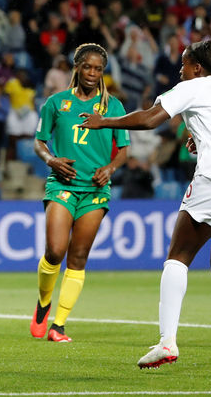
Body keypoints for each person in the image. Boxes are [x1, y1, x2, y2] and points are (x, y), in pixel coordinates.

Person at [80, 40, 211, 373]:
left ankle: (167, 342)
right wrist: (198, 138)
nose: (179, 71)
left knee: (178, 256)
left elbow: (149, 119)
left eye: (183, 65)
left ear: (197, 67)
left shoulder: (194, 86)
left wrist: (105, 123)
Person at [31, 43, 130, 343]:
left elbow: (124, 150)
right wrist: (51, 160)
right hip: (62, 184)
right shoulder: (56, 103)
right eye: (87, 66)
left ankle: (58, 325)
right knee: (55, 251)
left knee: (79, 256)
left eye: (98, 68)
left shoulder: (113, 106)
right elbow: (39, 142)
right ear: (76, 67)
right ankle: (43, 303)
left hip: (95, 190)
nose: (92, 73)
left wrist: (110, 169)